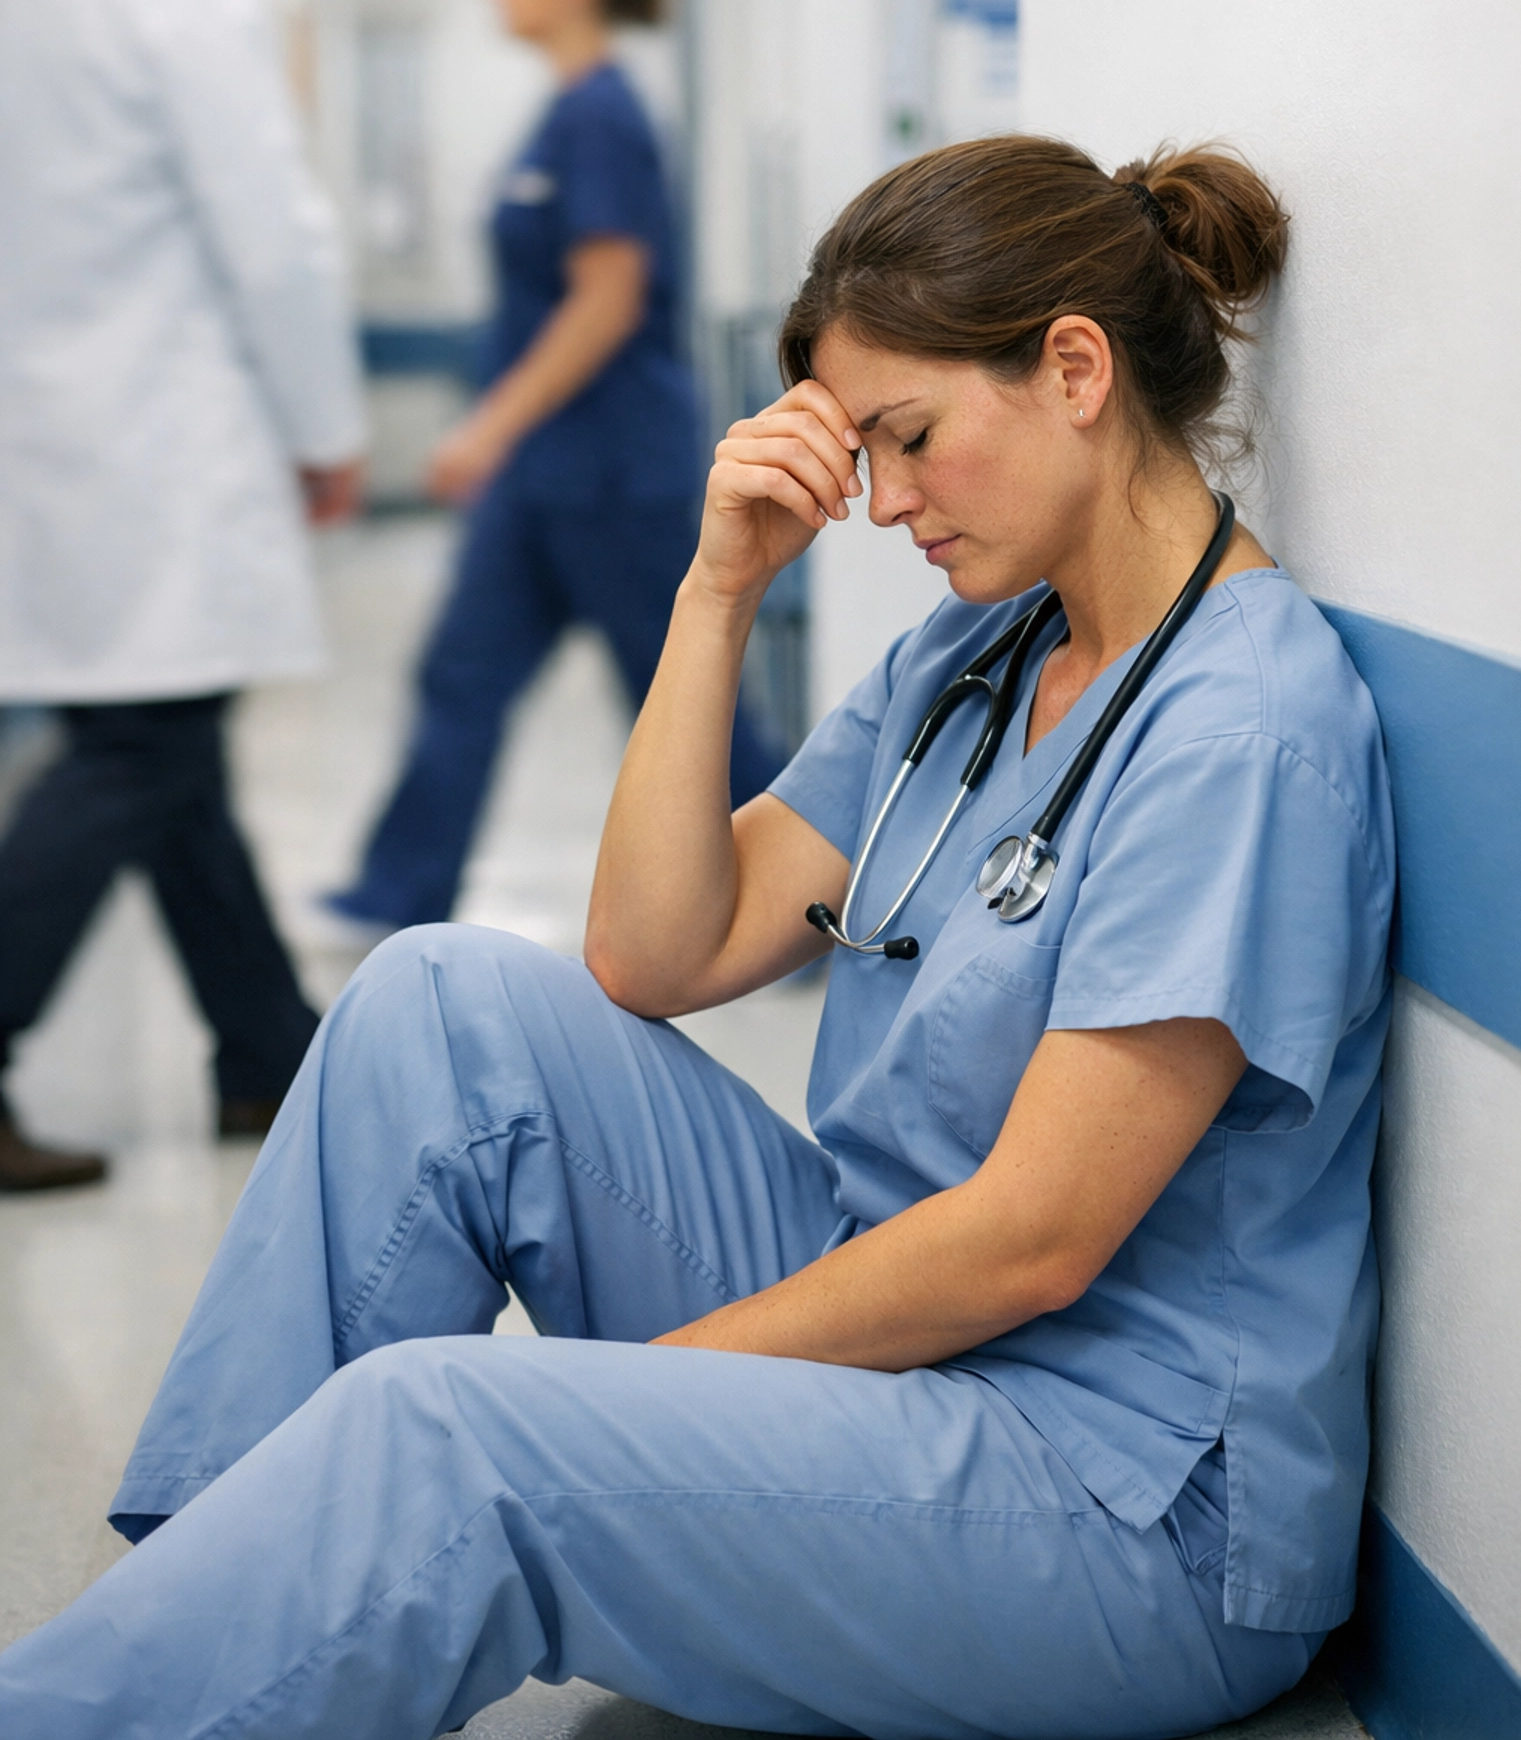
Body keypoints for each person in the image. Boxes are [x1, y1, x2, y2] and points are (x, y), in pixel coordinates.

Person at [0, 136, 1394, 1740]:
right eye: (862, 452)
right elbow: (655, 957)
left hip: (1118, 1502)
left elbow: (1035, 1242)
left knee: (470, 1428)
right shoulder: (981, 652)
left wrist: (655, 1393)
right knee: (438, 1001)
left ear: (1075, 369)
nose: (880, 504)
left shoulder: (1242, 730)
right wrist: (716, 589)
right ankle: (214, 1618)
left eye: (913, 439)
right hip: (909, 1331)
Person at [0, 0, 365, 1191]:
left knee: (169, 747)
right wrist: (325, 427)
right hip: (154, 436)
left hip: (46, 441)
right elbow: (268, 241)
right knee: (139, 748)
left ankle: (261, 1058)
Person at [327, 0, 779, 933]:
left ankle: (788, 906)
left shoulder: (603, 116)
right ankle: (398, 891)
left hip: (618, 474)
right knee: (462, 675)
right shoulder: (565, 109)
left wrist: (485, 426)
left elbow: (609, 296)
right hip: (546, 475)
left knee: (683, 697)